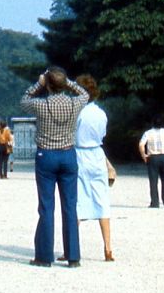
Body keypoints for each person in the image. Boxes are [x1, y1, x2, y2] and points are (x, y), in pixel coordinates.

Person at [20, 68, 88, 267]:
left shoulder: (41, 105)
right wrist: (68, 82)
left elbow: (24, 100)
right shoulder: (75, 103)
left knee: (47, 207)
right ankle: (73, 255)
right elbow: (85, 93)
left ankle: (44, 255)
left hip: (46, 154)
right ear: (63, 84)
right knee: (70, 206)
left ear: (48, 84)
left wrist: (39, 83)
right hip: (68, 154)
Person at [73, 75, 114, 260]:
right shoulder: (101, 113)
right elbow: (102, 136)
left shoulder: (77, 113)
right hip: (97, 154)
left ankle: (71, 247)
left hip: (79, 154)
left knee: (78, 201)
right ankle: (108, 248)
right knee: (102, 200)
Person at [138, 120, 164, 208]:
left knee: (153, 181)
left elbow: (141, 144)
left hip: (153, 157)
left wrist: (144, 155)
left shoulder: (148, 133)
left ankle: (155, 202)